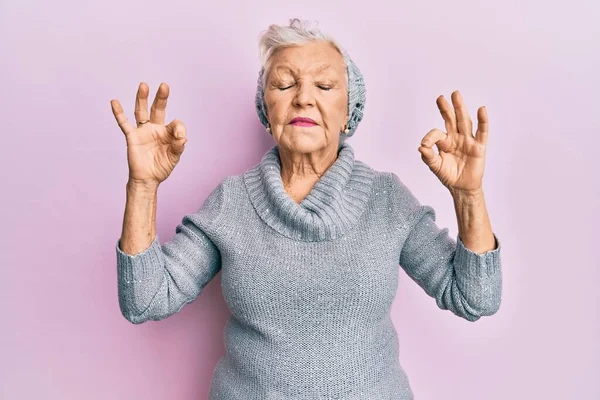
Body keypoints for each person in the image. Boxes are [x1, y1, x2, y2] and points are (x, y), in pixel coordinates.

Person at [110, 18, 502, 400]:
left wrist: (469, 196)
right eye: (284, 83)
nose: (303, 96)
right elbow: (145, 299)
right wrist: (142, 186)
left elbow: (474, 298)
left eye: (325, 84)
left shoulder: (386, 200)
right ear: (266, 109)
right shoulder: (232, 202)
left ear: (350, 111)